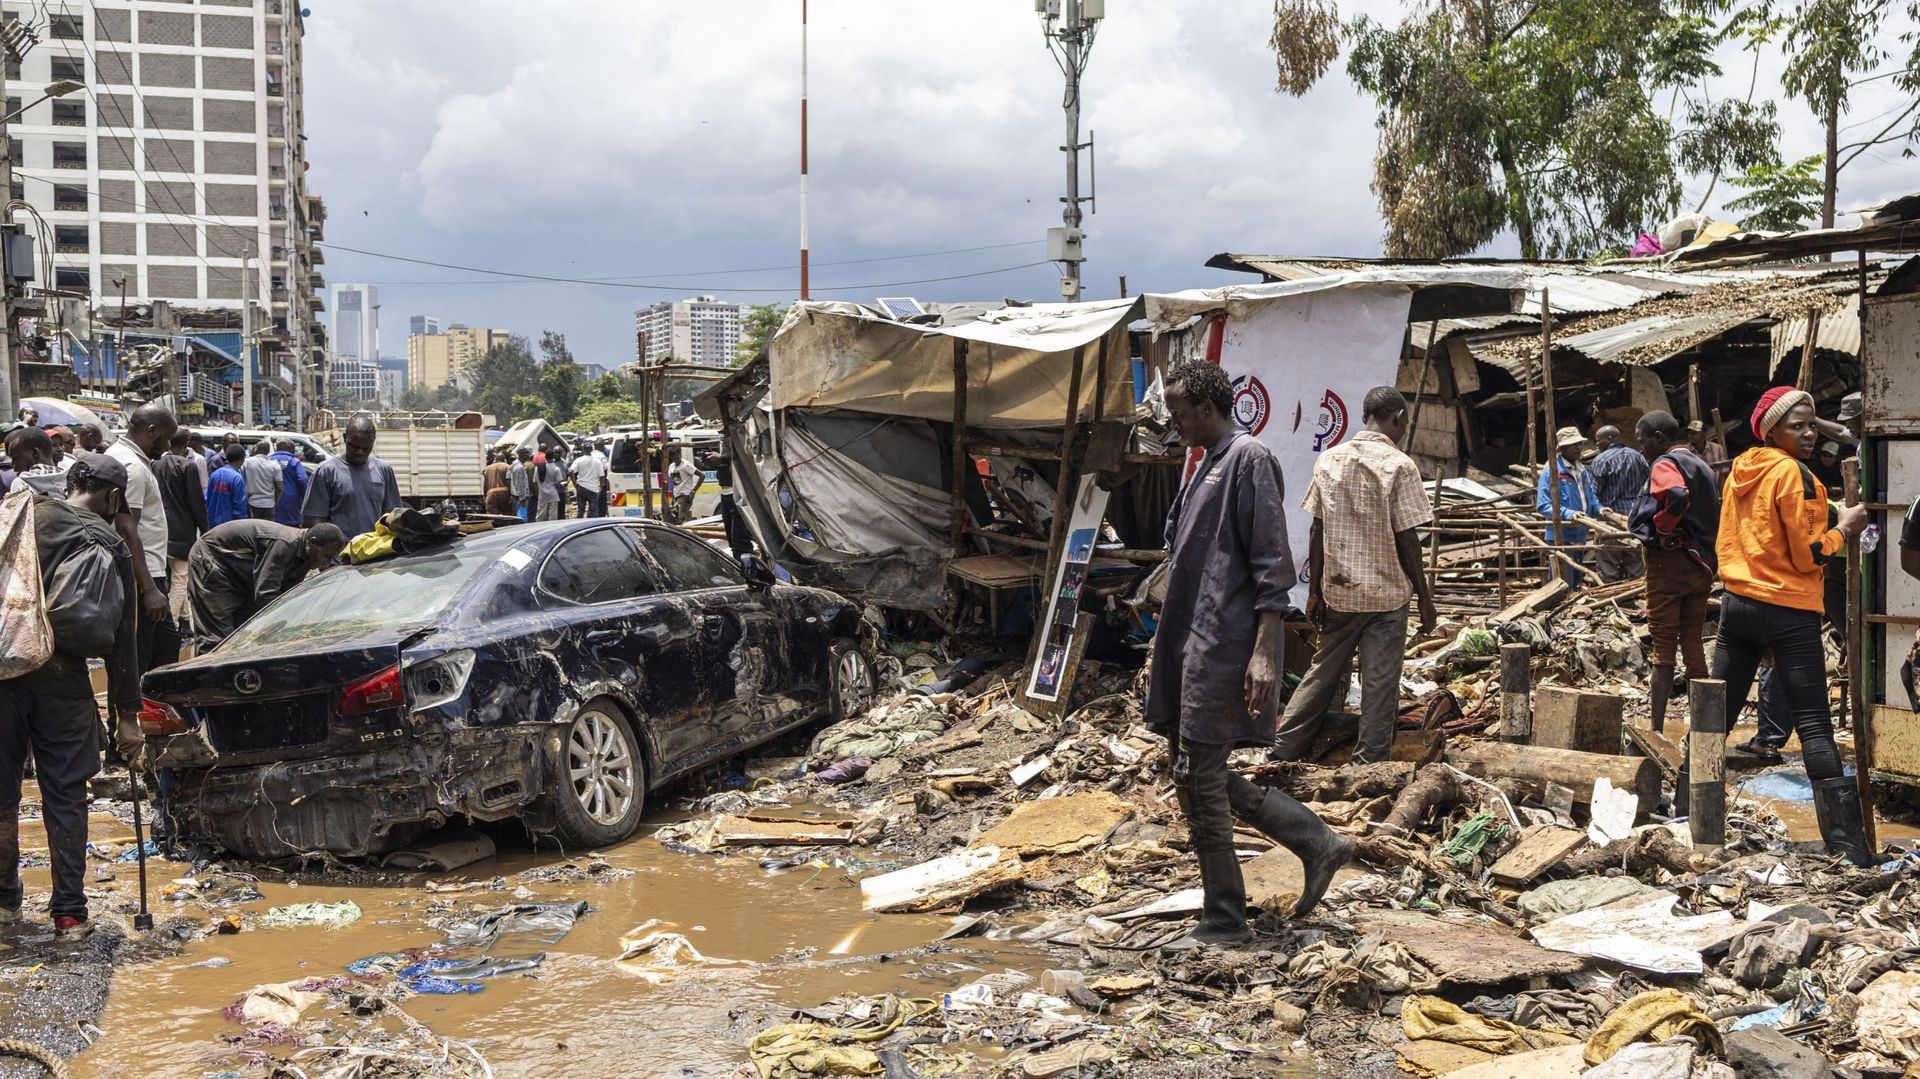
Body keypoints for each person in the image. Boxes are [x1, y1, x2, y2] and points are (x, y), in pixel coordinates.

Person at [1145, 359, 1351, 952]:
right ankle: (1315, 841)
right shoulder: (1204, 464)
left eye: (1180, 412)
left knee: (1199, 778)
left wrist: (1265, 651)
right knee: (1195, 772)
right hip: (1191, 641)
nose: (1174, 421)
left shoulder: (1248, 459)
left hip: (1226, 644)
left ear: (1206, 409)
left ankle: (1225, 919)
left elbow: (1271, 563)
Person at [1684, 386, 1870, 863]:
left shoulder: (1743, 469)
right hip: (1788, 607)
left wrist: (1827, 516)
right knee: (1813, 723)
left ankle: (1682, 818)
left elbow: (1753, 529)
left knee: (1716, 718)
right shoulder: (1796, 473)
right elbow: (1809, 552)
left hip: (1738, 603)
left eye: (1812, 424)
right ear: (1774, 431)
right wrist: (1844, 528)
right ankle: (1848, 848)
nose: (1809, 433)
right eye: (1798, 426)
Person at [0, 452, 143, 939]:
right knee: (65, 794)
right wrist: (128, 715)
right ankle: (68, 913)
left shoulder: (16, 513)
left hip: (3, 671)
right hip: (62, 679)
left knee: (2, 794)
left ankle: (3, 903)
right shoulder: (108, 539)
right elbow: (123, 638)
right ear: (113, 496)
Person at [1271, 387, 1437, 766]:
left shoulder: (1329, 460)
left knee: (1321, 674)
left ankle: (1282, 750)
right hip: (1386, 597)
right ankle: (1369, 765)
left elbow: (1317, 529)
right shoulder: (1400, 466)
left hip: (1340, 593)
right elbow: (1408, 539)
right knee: (1380, 685)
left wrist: (1314, 591)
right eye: (1405, 420)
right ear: (1396, 416)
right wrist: (1425, 599)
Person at [1629, 411, 1720, 734]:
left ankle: (1655, 730)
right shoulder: (1702, 465)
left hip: (1670, 564)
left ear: (1658, 437)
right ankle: (1704, 728)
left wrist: (1664, 525)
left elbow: (1678, 495)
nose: (1641, 449)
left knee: (1663, 646)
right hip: (1701, 565)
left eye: (1642, 441)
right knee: (1693, 642)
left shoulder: (1665, 464)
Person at [186, 519, 345, 650]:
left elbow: (286, 598)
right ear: (312, 542)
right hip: (212, 558)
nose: (327, 563)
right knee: (217, 638)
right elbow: (266, 595)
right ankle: (206, 683)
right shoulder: (284, 543)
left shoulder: (306, 557)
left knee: (242, 635)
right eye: (327, 556)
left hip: (240, 573)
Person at [106, 403, 180, 675]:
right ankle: (129, 715)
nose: (169, 445)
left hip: (146, 571)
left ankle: (155, 712)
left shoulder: (123, 456)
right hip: (142, 574)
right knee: (138, 655)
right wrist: (148, 588)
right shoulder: (132, 467)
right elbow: (126, 529)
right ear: (152, 431)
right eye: (167, 437)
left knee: (165, 647)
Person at [302, 414, 400, 540]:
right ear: (345, 438)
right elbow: (314, 521)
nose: (360, 452)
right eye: (355, 447)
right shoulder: (326, 471)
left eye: (366, 448)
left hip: (375, 554)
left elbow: (391, 515)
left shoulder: (384, 469)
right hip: (339, 556)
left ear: (373, 442)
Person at [155, 428, 210, 631]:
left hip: (160, 529)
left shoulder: (155, 465)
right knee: (180, 578)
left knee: (176, 575)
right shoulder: (188, 466)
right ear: (186, 445)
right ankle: (170, 622)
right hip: (182, 531)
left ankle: (186, 619)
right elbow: (196, 502)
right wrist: (205, 529)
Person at [1536, 426, 1602, 586]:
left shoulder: (1581, 470)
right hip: (1562, 534)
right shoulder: (1551, 471)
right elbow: (1543, 505)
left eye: (1579, 444)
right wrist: (1568, 513)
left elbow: (1590, 498)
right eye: (1574, 445)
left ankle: (1574, 608)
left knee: (1577, 577)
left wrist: (1599, 508)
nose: (1578, 448)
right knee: (1563, 581)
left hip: (1579, 533)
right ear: (1562, 448)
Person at [1588, 423, 1651, 582]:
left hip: (1610, 521)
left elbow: (1593, 494)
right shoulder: (1638, 456)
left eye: (1598, 440)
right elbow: (1649, 486)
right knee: (1637, 565)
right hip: (1637, 519)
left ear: (1609, 439)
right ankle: (1638, 599)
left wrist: (1598, 511)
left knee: (1608, 566)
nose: (1596, 444)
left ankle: (1611, 602)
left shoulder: (1600, 461)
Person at [2, 426, 66, 497]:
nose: (12, 464)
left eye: (15, 458)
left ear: (35, 453)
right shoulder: (69, 479)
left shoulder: (21, 483)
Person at [206, 444, 250, 528]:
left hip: (212, 524)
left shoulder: (214, 474)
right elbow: (240, 505)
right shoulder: (237, 478)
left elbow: (208, 497)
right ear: (242, 459)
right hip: (229, 526)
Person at [269, 439, 309, 527]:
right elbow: (302, 479)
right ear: (291, 448)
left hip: (272, 498)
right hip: (292, 501)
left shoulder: (269, 460)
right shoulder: (294, 461)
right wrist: (306, 497)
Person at [241, 440, 282, 521]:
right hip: (269, 504)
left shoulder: (246, 462)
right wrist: (274, 502)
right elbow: (279, 488)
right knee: (266, 530)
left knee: (252, 529)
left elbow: (241, 480)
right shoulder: (275, 465)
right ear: (267, 451)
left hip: (252, 502)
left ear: (256, 449)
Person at [571, 441, 608, 518]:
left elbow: (570, 471)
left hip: (581, 487)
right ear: (591, 450)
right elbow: (602, 475)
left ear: (583, 450)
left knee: (581, 510)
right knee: (593, 510)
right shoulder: (597, 461)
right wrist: (601, 487)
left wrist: (575, 484)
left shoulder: (578, 460)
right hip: (593, 489)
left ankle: (578, 526)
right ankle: (592, 526)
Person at [671, 452, 701, 523]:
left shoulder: (686, 465)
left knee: (679, 520)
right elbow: (673, 482)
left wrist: (693, 491)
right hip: (676, 496)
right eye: (673, 458)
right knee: (676, 520)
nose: (676, 460)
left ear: (679, 455)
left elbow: (702, 475)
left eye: (677, 458)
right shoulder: (671, 466)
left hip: (685, 496)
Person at [534, 447, 564, 521]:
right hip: (553, 494)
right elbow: (559, 483)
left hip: (542, 495)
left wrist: (538, 492)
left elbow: (534, 482)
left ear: (545, 456)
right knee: (552, 516)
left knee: (540, 515)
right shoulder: (556, 469)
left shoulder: (537, 468)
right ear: (553, 456)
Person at [482, 449, 514, 516]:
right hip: (504, 493)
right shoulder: (507, 467)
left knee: (493, 516)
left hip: (491, 493)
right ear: (504, 459)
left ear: (495, 460)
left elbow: (485, 484)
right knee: (506, 515)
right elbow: (509, 481)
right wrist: (511, 494)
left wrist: (485, 496)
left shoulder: (487, 468)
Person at [509, 447, 534, 521]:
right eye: (527, 454)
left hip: (516, 495)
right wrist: (522, 498)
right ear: (522, 455)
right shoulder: (519, 467)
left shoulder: (515, 464)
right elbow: (520, 484)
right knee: (521, 517)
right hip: (519, 497)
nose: (528, 456)